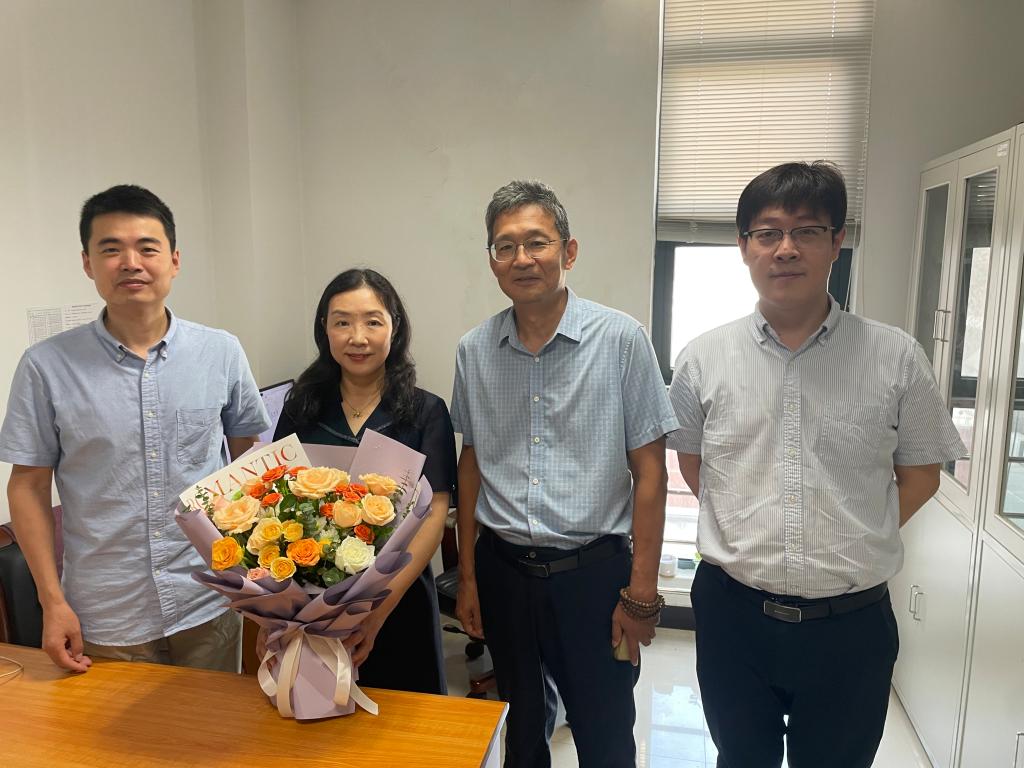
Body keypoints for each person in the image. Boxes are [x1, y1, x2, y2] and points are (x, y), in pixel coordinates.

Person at [668, 161, 967, 768]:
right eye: (767, 233)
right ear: (743, 247)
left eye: (806, 231)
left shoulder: (895, 357)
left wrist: (856, 532)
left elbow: (921, 474)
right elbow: (695, 466)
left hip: (850, 625)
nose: (785, 249)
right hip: (733, 616)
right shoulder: (703, 357)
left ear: (837, 242)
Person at [452, 180, 679, 767]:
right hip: (504, 572)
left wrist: (642, 591)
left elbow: (650, 472)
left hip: (593, 577)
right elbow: (471, 463)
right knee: (521, 732)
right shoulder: (474, 350)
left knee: (605, 735)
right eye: (506, 246)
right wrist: (470, 578)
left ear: (568, 251)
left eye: (537, 242)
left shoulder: (621, 340)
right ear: (492, 261)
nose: (522, 258)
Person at [0, 184, 270, 673]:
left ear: (174, 260)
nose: (131, 263)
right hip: (105, 613)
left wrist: (260, 575)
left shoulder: (221, 352)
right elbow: (27, 486)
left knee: (213, 722)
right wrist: (51, 601)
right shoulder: (46, 366)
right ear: (88, 263)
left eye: (147, 248)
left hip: (208, 599)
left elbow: (249, 463)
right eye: (111, 249)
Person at [273, 268, 455, 695]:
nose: (358, 338)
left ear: (395, 327)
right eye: (342, 322)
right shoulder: (302, 408)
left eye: (373, 322)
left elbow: (435, 515)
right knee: (320, 715)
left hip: (399, 599)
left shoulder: (425, 412)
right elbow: (275, 501)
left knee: (407, 719)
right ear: (325, 329)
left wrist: (376, 612)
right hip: (313, 603)